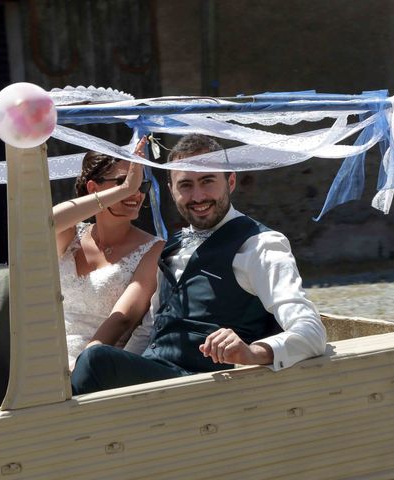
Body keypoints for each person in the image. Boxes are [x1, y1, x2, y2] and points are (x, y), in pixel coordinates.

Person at [71, 134, 327, 394]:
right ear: (171, 191)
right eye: (185, 185)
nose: (198, 196)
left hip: (204, 386)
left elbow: (311, 331)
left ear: (231, 181)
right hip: (158, 376)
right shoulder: (171, 246)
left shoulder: (260, 246)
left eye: (207, 181)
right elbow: (149, 328)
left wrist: (252, 353)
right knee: (89, 361)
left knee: (95, 360)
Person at [53, 137, 164, 369]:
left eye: (140, 185)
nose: (136, 194)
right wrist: (124, 190)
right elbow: (47, 221)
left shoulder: (154, 248)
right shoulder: (70, 234)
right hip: (45, 355)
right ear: (93, 188)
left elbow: (123, 319)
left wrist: (79, 370)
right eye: (124, 181)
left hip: (94, 365)